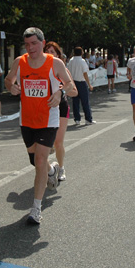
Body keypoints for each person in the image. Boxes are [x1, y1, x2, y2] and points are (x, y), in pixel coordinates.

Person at [5, 27, 75, 224]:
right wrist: (11, 86)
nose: (31, 48)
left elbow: (69, 84)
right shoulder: (20, 62)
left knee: (40, 160)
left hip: (48, 119)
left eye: (34, 43)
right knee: (35, 160)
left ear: (43, 43)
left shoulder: (55, 63)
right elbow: (8, 80)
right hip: (27, 119)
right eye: (27, 44)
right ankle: (52, 171)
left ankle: (36, 208)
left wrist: (60, 92)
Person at [44, 41, 78, 182]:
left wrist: (62, 89)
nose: (50, 54)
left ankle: (61, 167)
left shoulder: (63, 69)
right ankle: (47, 170)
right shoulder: (40, 69)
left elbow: (74, 92)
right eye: (47, 51)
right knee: (43, 143)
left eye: (52, 52)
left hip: (61, 107)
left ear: (58, 55)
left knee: (58, 142)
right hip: (44, 108)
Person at [67, 47, 95, 125]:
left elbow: (68, 72)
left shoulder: (71, 61)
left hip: (73, 82)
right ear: (81, 52)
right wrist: (89, 84)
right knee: (85, 101)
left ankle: (77, 119)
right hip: (81, 82)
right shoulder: (82, 61)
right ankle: (88, 119)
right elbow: (85, 73)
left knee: (75, 101)